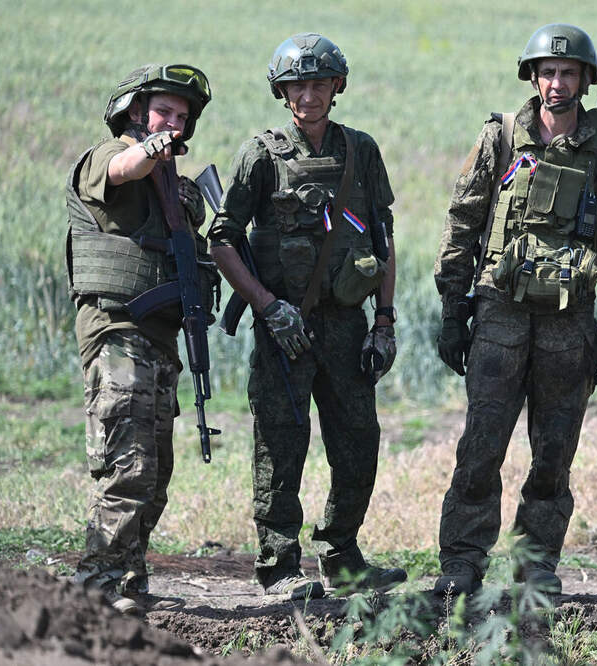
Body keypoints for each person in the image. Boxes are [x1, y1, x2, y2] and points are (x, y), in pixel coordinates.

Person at [432, 24, 597, 596]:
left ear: (586, 81)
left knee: (553, 455)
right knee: (481, 447)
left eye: (568, 73)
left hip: (570, 322)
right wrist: (452, 312)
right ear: (533, 78)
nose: (557, 83)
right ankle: (462, 561)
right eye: (548, 72)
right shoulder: (500, 138)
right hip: (498, 314)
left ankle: (535, 564)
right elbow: (463, 222)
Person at [209, 33, 404, 599]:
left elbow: (384, 240)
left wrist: (384, 323)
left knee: (359, 443)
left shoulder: (360, 151)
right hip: (284, 331)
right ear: (282, 90)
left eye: (320, 84)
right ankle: (279, 565)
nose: (309, 95)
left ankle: (342, 557)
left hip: (346, 326)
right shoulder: (261, 155)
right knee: (280, 445)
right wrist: (268, 307)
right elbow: (221, 240)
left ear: (337, 86)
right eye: (297, 85)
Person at [66, 63, 216, 614]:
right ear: (135, 112)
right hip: (117, 330)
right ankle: (97, 584)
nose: (174, 124)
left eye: (182, 117)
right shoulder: (111, 155)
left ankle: (128, 577)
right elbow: (125, 167)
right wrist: (152, 147)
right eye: (163, 112)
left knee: (154, 473)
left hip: (159, 338)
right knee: (126, 465)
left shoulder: (174, 189)